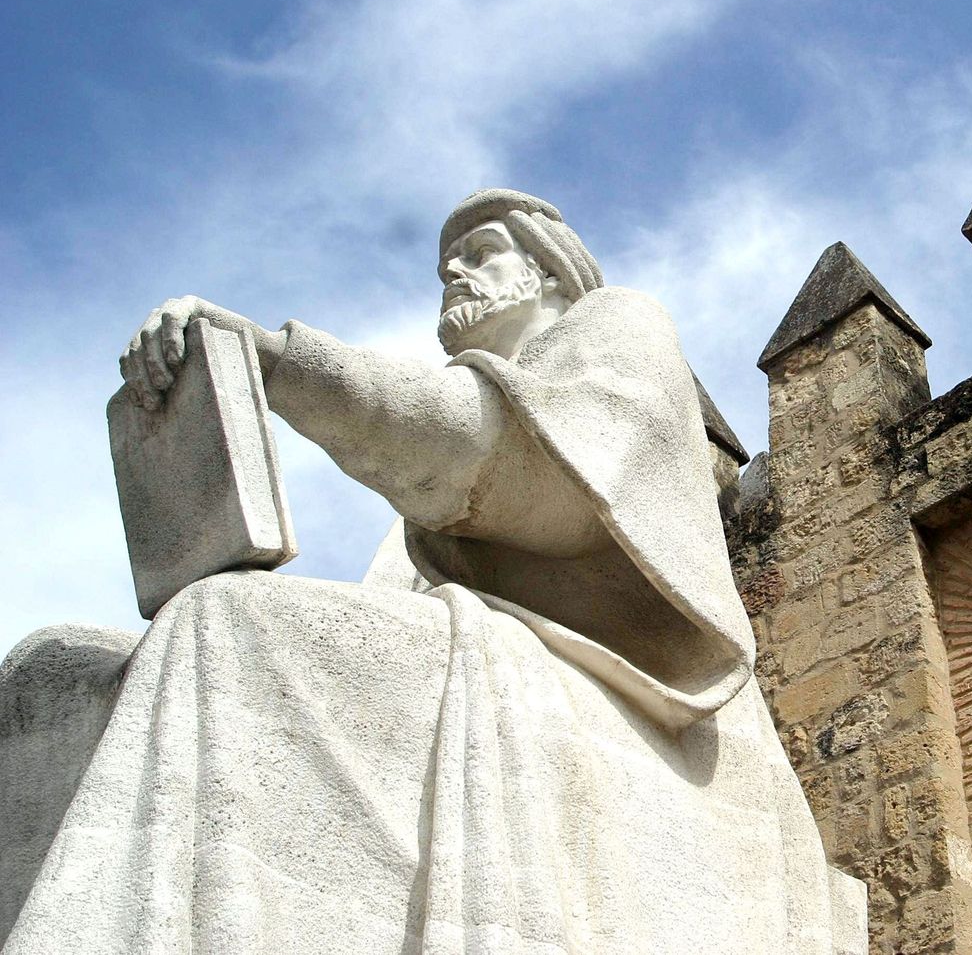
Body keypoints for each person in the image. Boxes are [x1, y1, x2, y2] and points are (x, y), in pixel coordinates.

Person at [1, 190, 864, 954]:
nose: (453, 269)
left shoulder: (618, 330)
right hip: (495, 669)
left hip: (618, 688)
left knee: (226, 624)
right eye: (447, 260)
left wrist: (273, 360)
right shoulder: (425, 515)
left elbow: (510, 460)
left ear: (554, 273)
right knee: (51, 671)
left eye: (483, 250)